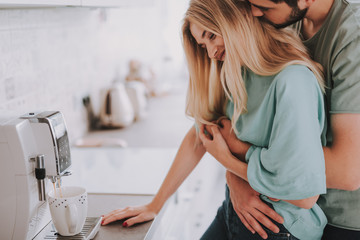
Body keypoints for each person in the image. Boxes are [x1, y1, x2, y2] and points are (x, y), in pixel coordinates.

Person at [102, 0, 327, 239]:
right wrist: (155, 205)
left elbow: (303, 196)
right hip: (234, 210)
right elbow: (201, 135)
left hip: (277, 227)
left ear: (237, 19)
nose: (210, 53)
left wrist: (229, 164)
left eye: (211, 36)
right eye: (202, 44)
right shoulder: (239, 73)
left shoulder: (293, 81)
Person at [224, 0, 360, 239]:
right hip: (291, 208)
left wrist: (235, 157)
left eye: (264, 7)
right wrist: (235, 176)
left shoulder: (353, 36)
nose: (253, 12)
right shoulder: (288, 22)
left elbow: (348, 171)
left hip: (343, 223)